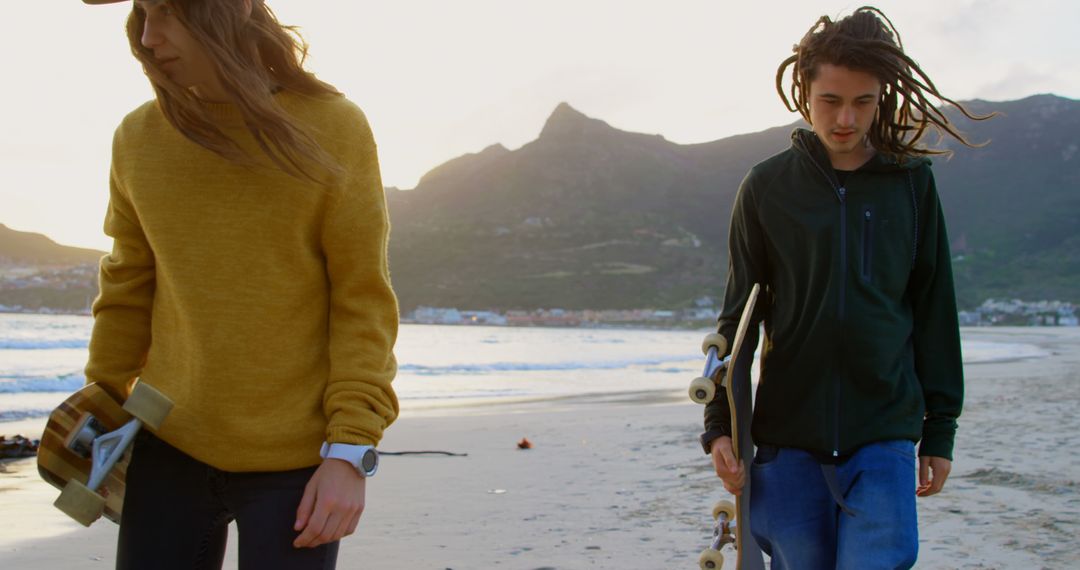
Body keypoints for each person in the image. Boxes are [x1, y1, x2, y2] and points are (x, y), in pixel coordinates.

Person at [80, 1, 399, 568]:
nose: (149, 37)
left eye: (168, 13)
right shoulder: (137, 136)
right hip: (167, 445)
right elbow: (128, 285)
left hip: (298, 458)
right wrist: (99, 407)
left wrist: (351, 450)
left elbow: (361, 301)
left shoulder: (333, 126)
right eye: (143, 13)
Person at [700, 7, 989, 569]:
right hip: (787, 438)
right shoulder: (766, 187)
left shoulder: (910, 184)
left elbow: (933, 308)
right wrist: (718, 428)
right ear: (804, 93)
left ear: (881, 98)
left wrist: (940, 430)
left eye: (863, 101)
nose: (846, 118)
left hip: (882, 433)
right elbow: (738, 318)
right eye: (831, 100)